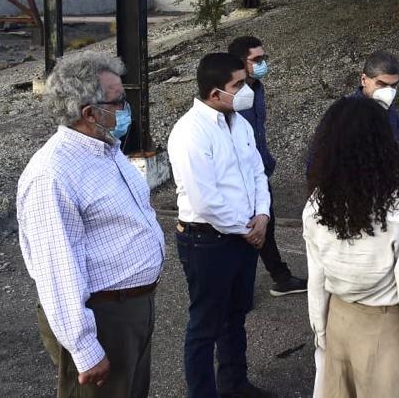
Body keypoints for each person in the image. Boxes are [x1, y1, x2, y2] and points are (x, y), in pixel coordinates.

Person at [17, 52, 164, 397]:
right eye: (119, 101)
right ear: (90, 113)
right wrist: (85, 349)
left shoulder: (106, 148)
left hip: (132, 307)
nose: (126, 107)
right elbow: (56, 269)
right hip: (103, 317)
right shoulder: (52, 173)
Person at [304, 97, 399, 397]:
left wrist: (322, 338)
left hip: (338, 320)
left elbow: (316, 282)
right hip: (385, 329)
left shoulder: (315, 207)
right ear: (384, 146)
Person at [168, 52, 274, 398]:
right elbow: (205, 200)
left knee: (235, 316)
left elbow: (257, 172)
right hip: (207, 241)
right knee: (205, 325)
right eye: (238, 85)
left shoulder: (238, 122)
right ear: (215, 94)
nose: (246, 90)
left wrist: (262, 215)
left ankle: (235, 384)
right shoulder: (189, 133)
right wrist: (247, 229)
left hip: (243, 235)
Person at [228, 36, 307, 298]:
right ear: (241, 62)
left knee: (265, 225)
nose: (262, 64)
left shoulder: (257, 88)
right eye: (256, 60)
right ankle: (243, 289)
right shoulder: (232, 96)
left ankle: (279, 278)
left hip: (259, 171)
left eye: (263, 58)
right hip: (240, 178)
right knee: (244, 231)